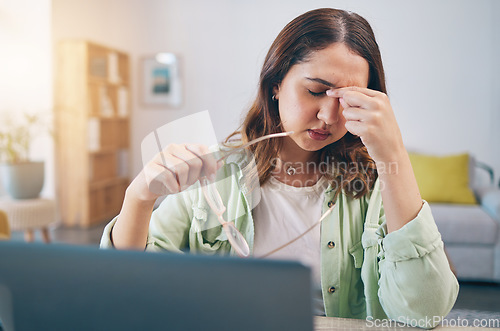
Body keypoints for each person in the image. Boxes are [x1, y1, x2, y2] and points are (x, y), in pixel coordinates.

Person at [101, 8, 458, 327]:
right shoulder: (214, 173)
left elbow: (422, 313)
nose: (329, 117)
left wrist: (393, 153)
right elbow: (128, 287)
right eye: (316, 91)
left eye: (349, 100)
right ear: (276, 85)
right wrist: (139, 196)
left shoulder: (378, 183)